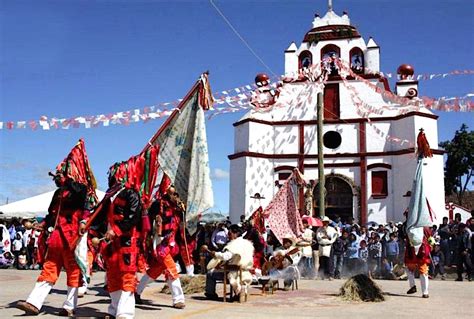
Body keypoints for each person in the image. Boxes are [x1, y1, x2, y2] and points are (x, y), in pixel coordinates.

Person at [16, 174, 89, 316]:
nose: (56, 177)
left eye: (61, 173)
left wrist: (68, 180)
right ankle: (33, 303)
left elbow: (80, 195)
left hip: (72, 236)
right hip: (56, 237)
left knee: (73, 272)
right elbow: (52, 214)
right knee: (48, 269)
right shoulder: (57, 193)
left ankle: (69, 307)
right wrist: (42, 224)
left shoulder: (80, 188)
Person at [135, 184, 186, 309]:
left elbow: (181, 225)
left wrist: (182, 210)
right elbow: (152, 220)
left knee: (154, 271)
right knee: (172, 269)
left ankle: (136, 292)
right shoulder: (159, 204)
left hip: (171, 243)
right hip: (160, 242)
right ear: (168, 193)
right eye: (174, 194)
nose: (176, 197)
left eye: (177, 194)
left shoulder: (178, 207)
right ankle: (178, 299)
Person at [204, 224, 254, 300]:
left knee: (210, 273)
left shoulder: (234, 245)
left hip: (234, 273)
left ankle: (210, 293)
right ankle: (238, 293)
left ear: (236, 233)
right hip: (245, 272)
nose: (228, 236)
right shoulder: (247, 244)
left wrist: (215, 254)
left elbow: (226, 256)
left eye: (230, 234)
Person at [405, 227, 432, 298]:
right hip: (414, 252)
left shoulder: (423, 228)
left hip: (419, 252)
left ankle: (423, 291)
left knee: (423, 272)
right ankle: (417, 288)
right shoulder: (411, 227)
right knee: (410, 270)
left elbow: (430, 239)